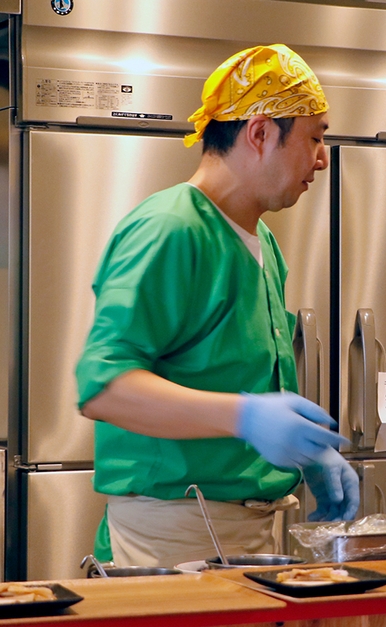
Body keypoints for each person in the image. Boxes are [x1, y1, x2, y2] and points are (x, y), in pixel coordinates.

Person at [75, 44, 359, 567]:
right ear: (259, 133)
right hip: (168, 538)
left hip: (246, 533)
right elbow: (104, 387)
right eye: (316, 136)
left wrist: (307, 454)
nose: (322, 157)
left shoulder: (263, 243)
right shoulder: (171, 228)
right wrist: (247, 417)